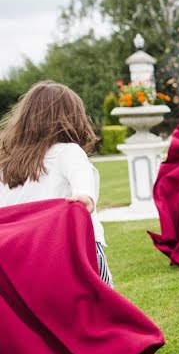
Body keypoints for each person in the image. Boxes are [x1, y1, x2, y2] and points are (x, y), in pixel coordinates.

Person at [0, 81, 113, 285]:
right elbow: (83, 183)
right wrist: (85, 198)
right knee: (102, 302)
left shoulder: (7, 162)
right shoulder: (68, 151)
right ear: (72, 117)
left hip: (25, 254)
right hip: (74, 247)